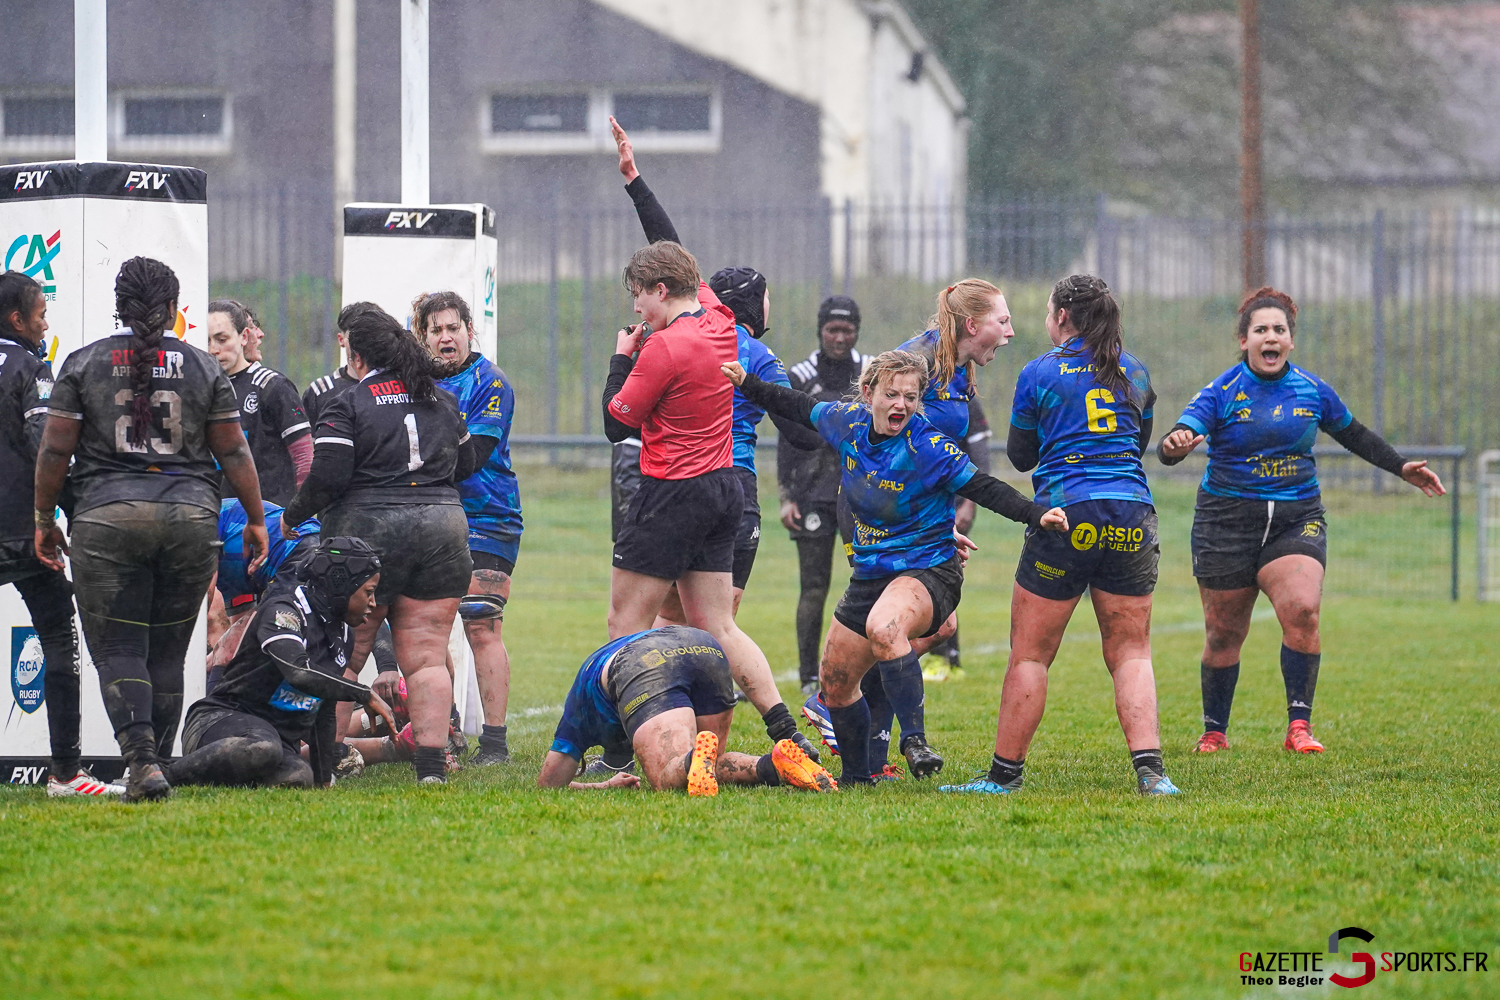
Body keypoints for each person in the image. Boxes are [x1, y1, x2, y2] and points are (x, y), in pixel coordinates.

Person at [723, 350, 1067, 785]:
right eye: (891, 394)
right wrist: (747, 384)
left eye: (910, 396)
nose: (901, 404)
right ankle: (857, 776)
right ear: (868, 394)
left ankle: (915, 742)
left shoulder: (927, 446)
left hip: (930, 571)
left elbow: (984, 488)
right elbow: (796, 405)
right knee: (835, 681)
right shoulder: (846, 422)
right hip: (870, 574)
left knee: (885, 628)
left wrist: (1036, 514)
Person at [600, 116, 817, 763]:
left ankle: (615, 744)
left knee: (629, 625)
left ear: (660, 292)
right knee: (716, 624)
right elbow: (672, 248)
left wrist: (619, 358)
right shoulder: (728, 330)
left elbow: (618, 424)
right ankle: (786, 731)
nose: (637, 305)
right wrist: (636, 184)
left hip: (672, 489)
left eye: (641, 295)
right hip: (730, 490)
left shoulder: (666, 346)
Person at [1158, 286, 1446, 755]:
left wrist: (1401, 467)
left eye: (1279, 329)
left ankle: (1299, 728)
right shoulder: (1222, 391)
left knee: (1304, 610)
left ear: (1291, 340)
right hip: (1225, 522)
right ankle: (1214, 731)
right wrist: (1174, 445)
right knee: (1224, 633)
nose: (1270, 337)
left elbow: (1353, 433)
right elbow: (1177, 437)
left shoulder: (1311, 390)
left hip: (1296, 519)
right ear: (1244, 340)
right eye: (1260, 330)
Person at [35, 257, 269, 802]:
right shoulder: (204, 367)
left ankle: (142, 762)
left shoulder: (82, 362)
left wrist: (45, 517)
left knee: (119, 647)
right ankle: (160, 762)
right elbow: (233, 448)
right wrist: (256, 519)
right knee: (166, 653)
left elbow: (53, 449)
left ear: (119, 306)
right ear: (172, 309)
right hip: (190, 519)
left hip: (106, 518)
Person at [941, 273, 1180, 797]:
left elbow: (1022, 456)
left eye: (1050, 313)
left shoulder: (1040, 373)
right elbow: (1135, 443)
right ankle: (1152, 775)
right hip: (1131, 513)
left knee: (1030, 654)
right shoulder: (1134, 370)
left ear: (1063, 318)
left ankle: (1003, 777)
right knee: (1131, 651)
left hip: (1067, 515)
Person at [281, 305, 477, 785]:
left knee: (348, 652)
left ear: (357, 351)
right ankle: (431, 768)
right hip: (442, 528)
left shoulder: (347, 402)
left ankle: (327, 764)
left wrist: (292, 515)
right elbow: (468, 462)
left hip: (366, 530)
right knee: (428, 654)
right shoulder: (442, 400)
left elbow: (328, 476)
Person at [0, 271, 121, 798]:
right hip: (19, 531)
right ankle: (66, 772)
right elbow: (43, 443)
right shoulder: (30, 365)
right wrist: (65, 513)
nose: (46, 323)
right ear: (17, 319)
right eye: (42, 313)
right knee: (57, 635)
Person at [166, 536, 398, 789]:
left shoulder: (344, 635)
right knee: (262, 747)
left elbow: (324, 710)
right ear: (342, 585)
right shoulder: (284, 609)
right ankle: (162, 776)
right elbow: (298, 672)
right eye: (369, 592)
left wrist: (323, 781)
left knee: (298, 777)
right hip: (219, 721)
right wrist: (363, 694)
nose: (373, 604)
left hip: (276, 741)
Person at [414, 289, 524, 766]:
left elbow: (473, 457)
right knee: (431, 628)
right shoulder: (414, 384)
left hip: (488, 516)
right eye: (435, 330)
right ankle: (450, 731)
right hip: (431, 516)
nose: (445, 338)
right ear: (422, 338)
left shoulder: (490, 382)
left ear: (468, 331)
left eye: (452, 328)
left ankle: (494, 744)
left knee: (481, 624)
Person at [537, 626, 836, 794]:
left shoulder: (578, 707)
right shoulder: (596, 670)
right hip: (702, 644)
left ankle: (692, 756)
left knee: (669, 777)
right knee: (706, 764)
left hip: (643, 662)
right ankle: (773, 765)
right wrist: (608, 782)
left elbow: (549, 784)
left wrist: (598, 786)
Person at [780, 295, 869, 695]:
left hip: (862, 494)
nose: (840, 337)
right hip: (813, 493)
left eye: (847, 329)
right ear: (820, 331)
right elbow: (787, 439)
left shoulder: (870, 372)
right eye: (832, 329)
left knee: (869, 580)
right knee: (813, 586)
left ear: (857, 331)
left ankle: (865, 667)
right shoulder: (800, 375)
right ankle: (806, 676)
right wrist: (786, 496)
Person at [206, 299, 311, 506]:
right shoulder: (199, 389)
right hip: (216, 517)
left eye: (221, 339)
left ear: (243, 337)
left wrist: (299, 513)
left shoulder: (272, 386)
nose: (213, 349)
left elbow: (304, 457)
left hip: (271, 517)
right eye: (207, 341)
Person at [923, 395, 994, 682]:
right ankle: (949, 657)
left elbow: (980, 455)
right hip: (923, 502)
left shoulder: (966, 397)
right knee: (935, 576)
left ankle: (942, 657)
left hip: (956, 503)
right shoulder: (917, 392)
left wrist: (969, 503)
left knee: (938, 576)